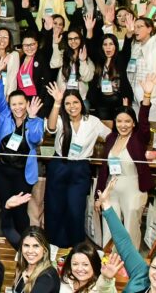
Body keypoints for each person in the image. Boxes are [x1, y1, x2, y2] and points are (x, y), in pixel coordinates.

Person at [94, 74, 156, 247]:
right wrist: (99, 196)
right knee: (109, 228)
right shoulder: (110, 139)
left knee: (130, 229)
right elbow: (103, 171)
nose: (123, 125)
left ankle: (131, 261)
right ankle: (108, 260)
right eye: (119, 121)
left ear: (133, 124)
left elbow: (144, 122)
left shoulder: (138, 139)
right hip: (111, 190)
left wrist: (147, 96)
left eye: (128, 121)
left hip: (133, 189)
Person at [44, 84, 110, 247]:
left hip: (81, 168)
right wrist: (57, 103)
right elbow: (51, 128)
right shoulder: (61, 119)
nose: (72, 106)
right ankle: (53, 244)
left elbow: (110, 137)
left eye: (75, 102)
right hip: (59, 165)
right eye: (67, 103)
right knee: (55, 206)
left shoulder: (93, 121)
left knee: (76, 208)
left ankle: (76, 246)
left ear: (82, 103)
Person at [0, 69, 44, 248]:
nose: (17, 107)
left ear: (27, 104)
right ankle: (16, 245)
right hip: (1, 169)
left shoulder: (36, 121)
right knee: (7, 206)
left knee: (20, 211)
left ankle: (26, 246)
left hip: (22, 173)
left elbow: (35, 139)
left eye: (21, 103)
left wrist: (32, 118)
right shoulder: (5, 115)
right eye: (14, 104)